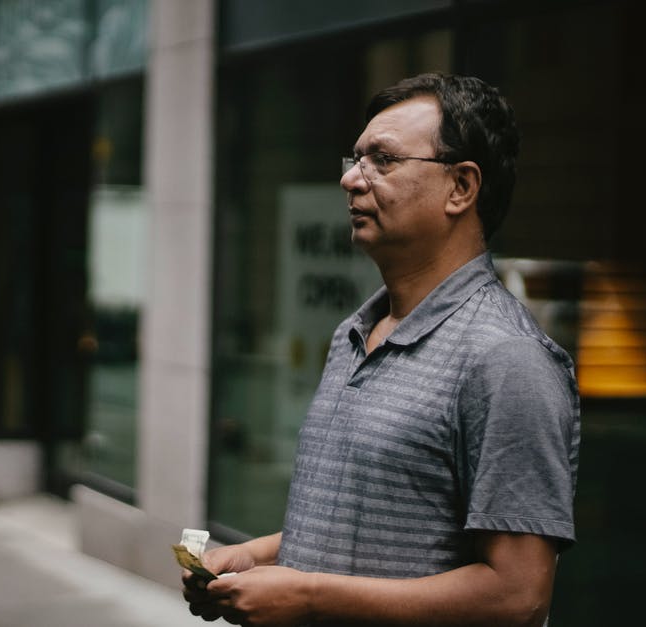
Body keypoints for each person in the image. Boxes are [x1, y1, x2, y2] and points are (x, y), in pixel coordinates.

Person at [183, 73, 580, 627]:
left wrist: (308, 596)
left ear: (461, 187)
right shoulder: (354, 332)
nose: (351, 179)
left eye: (383, 160)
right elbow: (359, 527)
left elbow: (518, 596)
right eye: (355, 158)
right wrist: (258, 557)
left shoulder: (507, 359)